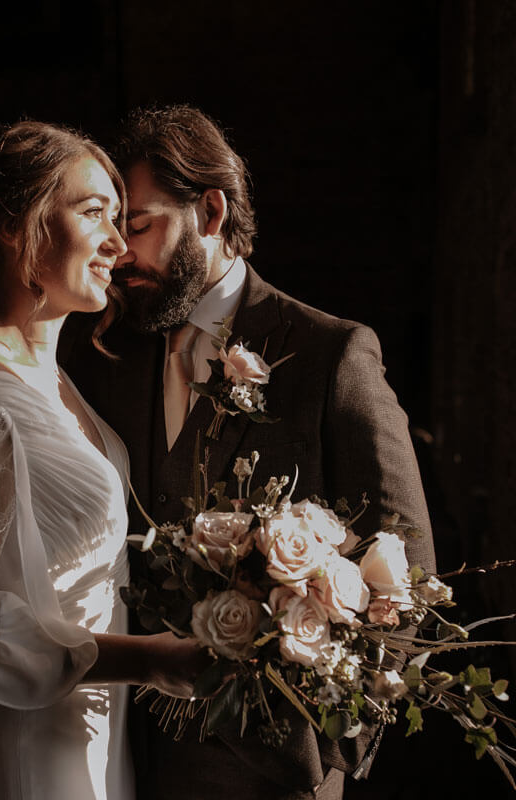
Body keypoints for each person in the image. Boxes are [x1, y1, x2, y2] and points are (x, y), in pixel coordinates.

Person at [64, 105, 438, 800]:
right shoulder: (112, 359)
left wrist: (325, 748)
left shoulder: (331, 354)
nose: (119, 254)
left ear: (210, 211)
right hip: (127, 762)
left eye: (139, 225)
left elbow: (406, 570)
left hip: (274, 774)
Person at [0, 120, 206, 800]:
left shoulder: (51, 375)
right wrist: (146, 661)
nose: (117, 245)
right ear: (19, 226)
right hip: (27, 750)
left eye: (121, 220)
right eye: (94, 213)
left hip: (91, 730)